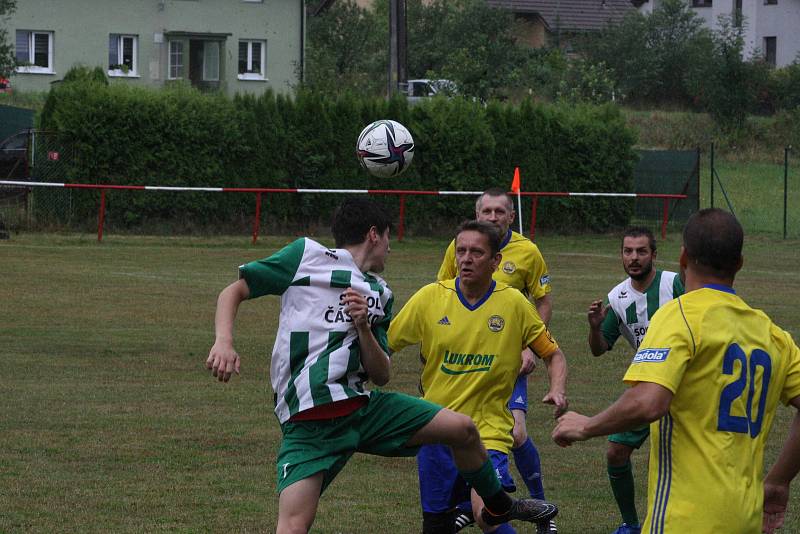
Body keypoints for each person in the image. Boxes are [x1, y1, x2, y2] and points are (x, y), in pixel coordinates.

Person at [206, 197, 559, 534]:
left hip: (364, 409)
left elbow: (382, 374)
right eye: (389, 236)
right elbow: (234, 291)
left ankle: (497, 504)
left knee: (464, 430)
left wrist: (362, 327)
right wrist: (224, 341)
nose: (390, 247)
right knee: (293, 526)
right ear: (374, 234)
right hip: (309, 425)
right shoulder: (306, 255)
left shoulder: (380, 293)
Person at [553, 208, 800, 534]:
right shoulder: (774, 335)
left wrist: (586, 425)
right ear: (739, 263)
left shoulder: (676, 316)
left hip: (683, 519)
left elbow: (649, 402)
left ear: (682, 258)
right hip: (747, 519)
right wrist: (779, 481)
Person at [392, 220, 568, 534]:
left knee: (488, 512)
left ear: (495, 261)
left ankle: (497, 507)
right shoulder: (430, 298)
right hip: (436, 428)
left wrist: (557, 388)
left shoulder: (513, 303)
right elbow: (385, 345)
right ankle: (498, 507)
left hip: (487, 431)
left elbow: (552, 353)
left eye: (476, 252)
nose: (466, 258)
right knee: (436, 525)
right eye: (461, 251)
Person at [437, 188, 555, 533]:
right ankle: (471, 502)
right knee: (462, 430)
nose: (492, 217)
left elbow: (543, 301)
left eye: (499, 211)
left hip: (509, 359)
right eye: (485, 211)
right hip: (467, 361)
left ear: (511, 216)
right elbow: (444, 294)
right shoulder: (459, 248)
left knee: (515, 434)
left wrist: (530, 347)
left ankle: (538, 504)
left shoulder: (528, 252)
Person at [586, 227, 684, 534]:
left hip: (684, 386)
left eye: (641, 251)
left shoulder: (675, 284)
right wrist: (594, 328)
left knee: (677, 459)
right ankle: (629, 524)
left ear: (654, 255)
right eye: (628, 251)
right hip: (648, 386)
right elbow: (599, 349)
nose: (634, 257)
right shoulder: (618, 297)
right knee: (616, 451)